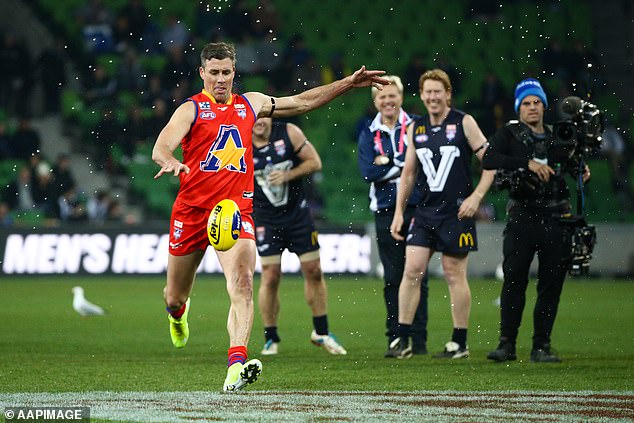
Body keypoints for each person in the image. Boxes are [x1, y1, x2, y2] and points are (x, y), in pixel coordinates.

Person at [151, 41, 387, 392]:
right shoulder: (191, 109)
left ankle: (235, 365)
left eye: (226, 72)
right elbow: (161, 145)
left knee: (243, 282)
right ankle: (177, 313)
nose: (220, 79)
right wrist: (167, 159)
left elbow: (302, 102)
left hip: (234, 211)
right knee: (174, 295)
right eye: (213, 72)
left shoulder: (253, 103)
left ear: (235, 73)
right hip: (192, 211)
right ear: (202, 73)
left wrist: (347, 84)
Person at [387, 69, 495, 359]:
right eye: (428, 92)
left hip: (456, 212)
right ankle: (403, 339)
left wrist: (477, 197)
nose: (433, 97)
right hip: (424, 212)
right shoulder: (416, 128)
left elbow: (492, 162)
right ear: (421, 96)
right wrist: (399, 212)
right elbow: (408, 173)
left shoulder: (464, 122)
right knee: (411, 271)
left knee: (454, 274)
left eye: (438, 91)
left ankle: (459, 342)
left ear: (448, 94)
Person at [483, 78, 591, 363]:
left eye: (537, 103)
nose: (532, 108)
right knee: (514, 281)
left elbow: (573, 163)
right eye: (527, 103)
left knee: (550, 285)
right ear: (519, 108)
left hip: (557, 215)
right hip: (522, 216)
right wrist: (525, 163)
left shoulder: (560, 134)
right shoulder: (508, 133)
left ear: (544, 106)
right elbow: (488, 159)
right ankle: (507, 343)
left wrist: (582, 169)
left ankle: (541, 345)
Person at [251, 117, 346, 356]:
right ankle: (271, 338)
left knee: (314, 270)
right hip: (265, 220)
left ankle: (321, 333)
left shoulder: (289, 132)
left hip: (298, 216)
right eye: (254, 117)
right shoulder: (240, 143)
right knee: (270, 277)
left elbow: (315, 162)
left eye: (264, 115)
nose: (259, 121)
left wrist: (288, 174)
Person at [357, 75, 428, 357]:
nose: (387, 101)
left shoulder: (418, 126)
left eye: (392, 96)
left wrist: (389, 164)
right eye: (382, 97)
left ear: (401, 97)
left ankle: (418, 340)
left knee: (417, 273)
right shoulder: (368, 132)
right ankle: (396, 337)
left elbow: (423, 165)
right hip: (385, 209)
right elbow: (368, 172)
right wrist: (404, 166)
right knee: (393, 276)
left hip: (418, 206)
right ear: (375, 102)